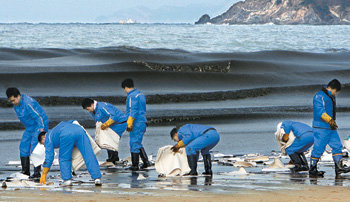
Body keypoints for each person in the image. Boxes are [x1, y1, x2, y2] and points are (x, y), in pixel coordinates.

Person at [39, 120, 102, 186]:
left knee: (64, 158)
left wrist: (44, 174)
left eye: (42, 143)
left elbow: (49, 157)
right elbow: (74, 121)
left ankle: (67, 180)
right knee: (89, 154)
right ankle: (97, 178)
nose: (44, 145)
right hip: (80, 130)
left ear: (43, 137)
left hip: (66, 134)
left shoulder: (48, 137)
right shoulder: (57, 128)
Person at [310, 79, 350, 177]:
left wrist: (332, 122)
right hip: (321, 127)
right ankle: (312, 168)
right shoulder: (319, 96)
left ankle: (338, 167)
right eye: (336, 92)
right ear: (332, 89)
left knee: (337, 146)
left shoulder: (330, 96)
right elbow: (320, 111)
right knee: (319, 148)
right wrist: (330, 120)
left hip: (330, 126)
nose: (336, 94)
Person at [6, 87, 49, 179]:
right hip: (30, 127)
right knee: (23, 146)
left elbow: (39, 116)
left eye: (14, 100)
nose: (13, 102)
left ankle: (37, 173)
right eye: (11, 101)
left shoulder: (28, 103)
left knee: (34, 147)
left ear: (18, 96)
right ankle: (25, 172)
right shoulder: (16, 105)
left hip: (39, 125)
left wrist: (42, 131)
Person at [82, 98, 127, 165]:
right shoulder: (93, 111)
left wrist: (106, 124)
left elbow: (114, 116)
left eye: (88, 109)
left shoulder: (102, 107)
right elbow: (98, 120)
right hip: (110, 125)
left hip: (119, 123)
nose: (88, 111)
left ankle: (113, 158)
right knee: (107, 139)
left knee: (111, 139)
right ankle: (112, 158)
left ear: (92, 105)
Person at [121, 78, 151, 171]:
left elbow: (132, 110)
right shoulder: (140, 94)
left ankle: (135, 165)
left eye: (124, 89)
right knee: (137, 142)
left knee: (133, 143)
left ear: (126, 87)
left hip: (136, 122)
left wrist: (129, 123)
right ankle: (146, 162)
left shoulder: (131, 96)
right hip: (142, 121)